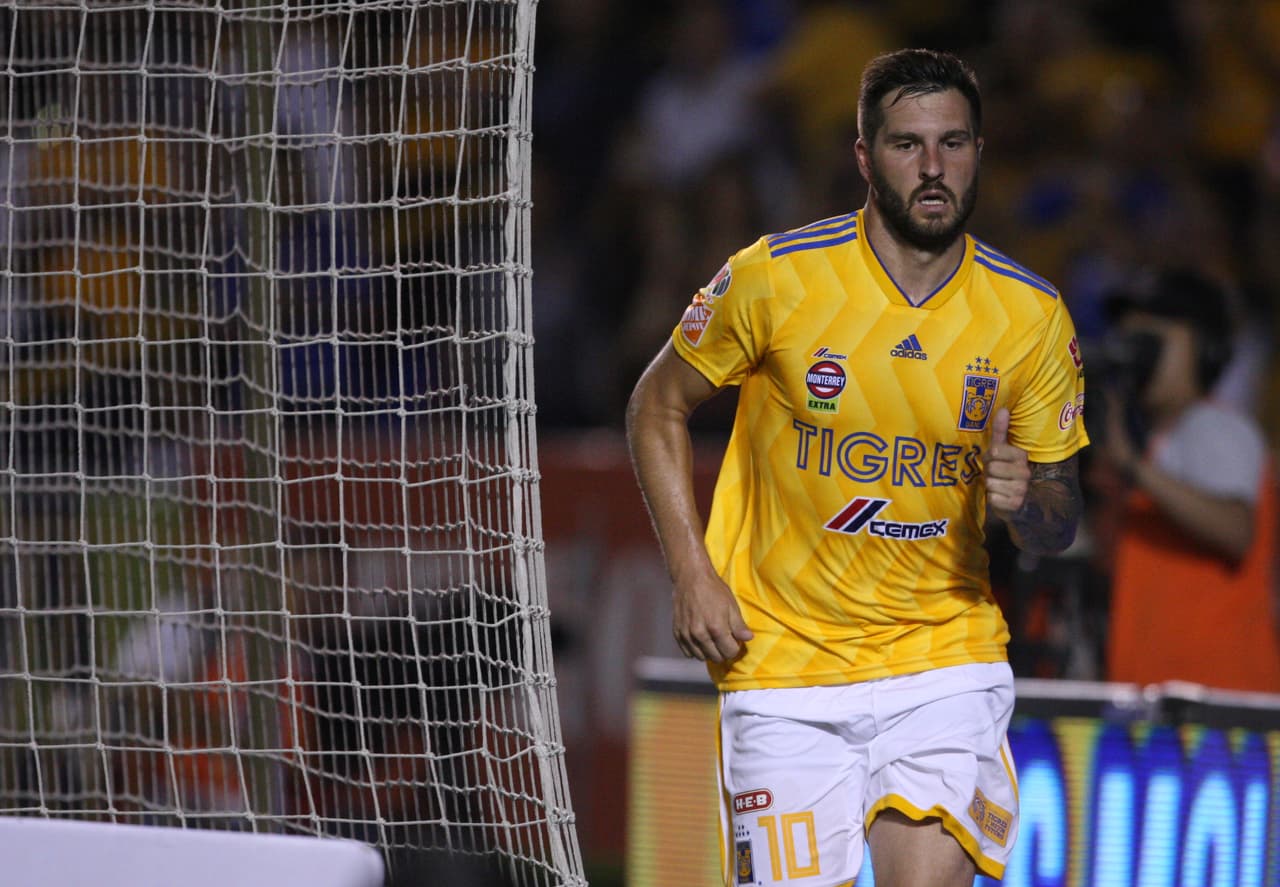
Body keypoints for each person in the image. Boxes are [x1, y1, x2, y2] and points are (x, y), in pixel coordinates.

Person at [626, 49, 1088, 885]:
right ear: (865, 157)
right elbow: (654, 404)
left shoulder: (1032, 317)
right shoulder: (776, 278)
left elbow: (1059, 516)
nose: (935, 167)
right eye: (909, 145)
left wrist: (1031, 501)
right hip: (781, 664)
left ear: (980, 150)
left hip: (942, 659)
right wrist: (692, 571)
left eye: (954, 142)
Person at [1097, 268, 1280, 692]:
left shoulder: (1214, 424)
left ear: (1205, 348)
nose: (1137, 353)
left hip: (1219, 710)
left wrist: (1133, 467)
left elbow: (1236, 529)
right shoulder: (1157, 444)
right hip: (1169, 706)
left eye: (1152, 340)